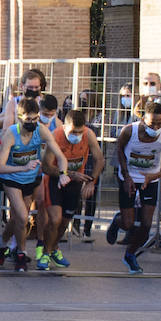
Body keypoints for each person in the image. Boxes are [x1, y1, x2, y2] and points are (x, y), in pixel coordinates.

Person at [0, 97, 68, 272]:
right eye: (28, 119)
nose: (32, 122)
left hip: (31, 179)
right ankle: (21, 253)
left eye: (35, 118)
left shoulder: (41, 130)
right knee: (22, 216)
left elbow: (60, 156)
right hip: (12, 178)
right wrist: (24, 167)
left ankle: (1, 242)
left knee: (18, 218)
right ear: (19, 118)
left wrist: (63, 174)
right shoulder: (11, 134)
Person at [38, 109, 103, 270]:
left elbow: (99, 159)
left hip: (75, 182)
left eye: (80, 132)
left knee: (65, 222)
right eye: (73, 132)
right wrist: (68, 174)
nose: (77, 135)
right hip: (55, 180)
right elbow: (46, 167)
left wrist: (91, 182)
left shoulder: (89, 134)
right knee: (55, 219)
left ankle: (53, 249)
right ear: (65, 127)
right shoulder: (55, 136)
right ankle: (45, 253)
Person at [114, 102, 161, 274]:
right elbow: (119, 151)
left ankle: (130, 255)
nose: (155, 128)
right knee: (128, 224)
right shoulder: (129, 131)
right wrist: (126, 176)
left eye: (159, 124)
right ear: (142, 119)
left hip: (151, 179)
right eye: (151, 124)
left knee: (146, 225)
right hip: (128, 177)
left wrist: (154, 176)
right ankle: (117, 221)